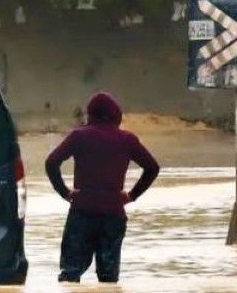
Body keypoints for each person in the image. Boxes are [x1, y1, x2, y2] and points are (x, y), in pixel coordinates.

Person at [45, 92, 160, 283]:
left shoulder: (79, 136)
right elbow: (152, 168)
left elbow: (51, 163)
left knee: (70, 274)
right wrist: (131, 196)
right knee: (108, 279)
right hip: (113, 214)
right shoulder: (127, 140)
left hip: (82, 212)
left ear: (91, 114)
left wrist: (64, 192)